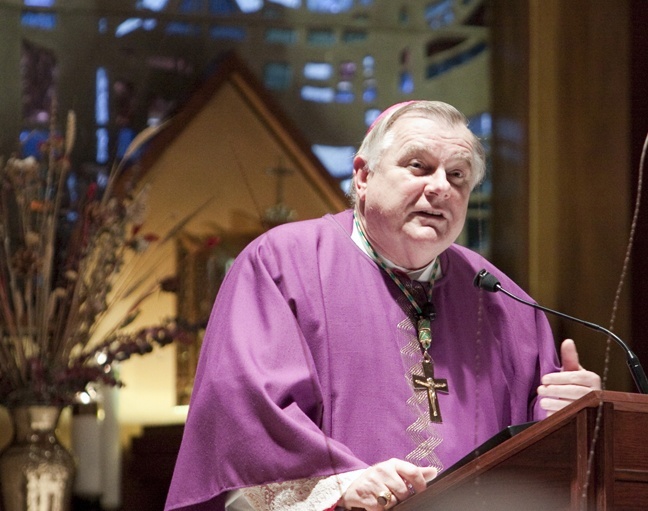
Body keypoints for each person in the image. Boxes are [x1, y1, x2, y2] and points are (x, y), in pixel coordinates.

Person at [165, 101, 600, 511]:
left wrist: (568, 415)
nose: (440, 188)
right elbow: (243, 416)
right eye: (419, 167)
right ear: (362, 176)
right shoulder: (283, 264)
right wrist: (338, 482)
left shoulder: (503, 300)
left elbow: (538, 446)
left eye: (458, 176)